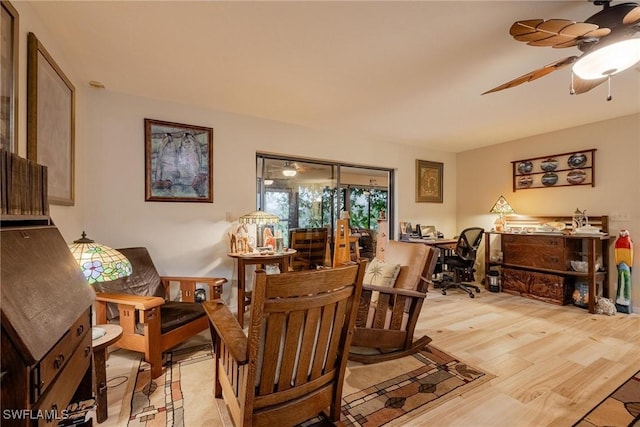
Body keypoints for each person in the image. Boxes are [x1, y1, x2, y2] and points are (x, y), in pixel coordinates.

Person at [614, 229, 633, 313]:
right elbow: (616, 253)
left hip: (626, 264)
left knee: (625, 282)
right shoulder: (617, 242)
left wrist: (629, 264)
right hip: (620, 263)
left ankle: (625, 304)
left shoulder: (629, 242)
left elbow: (630, 254)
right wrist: (617, 263)